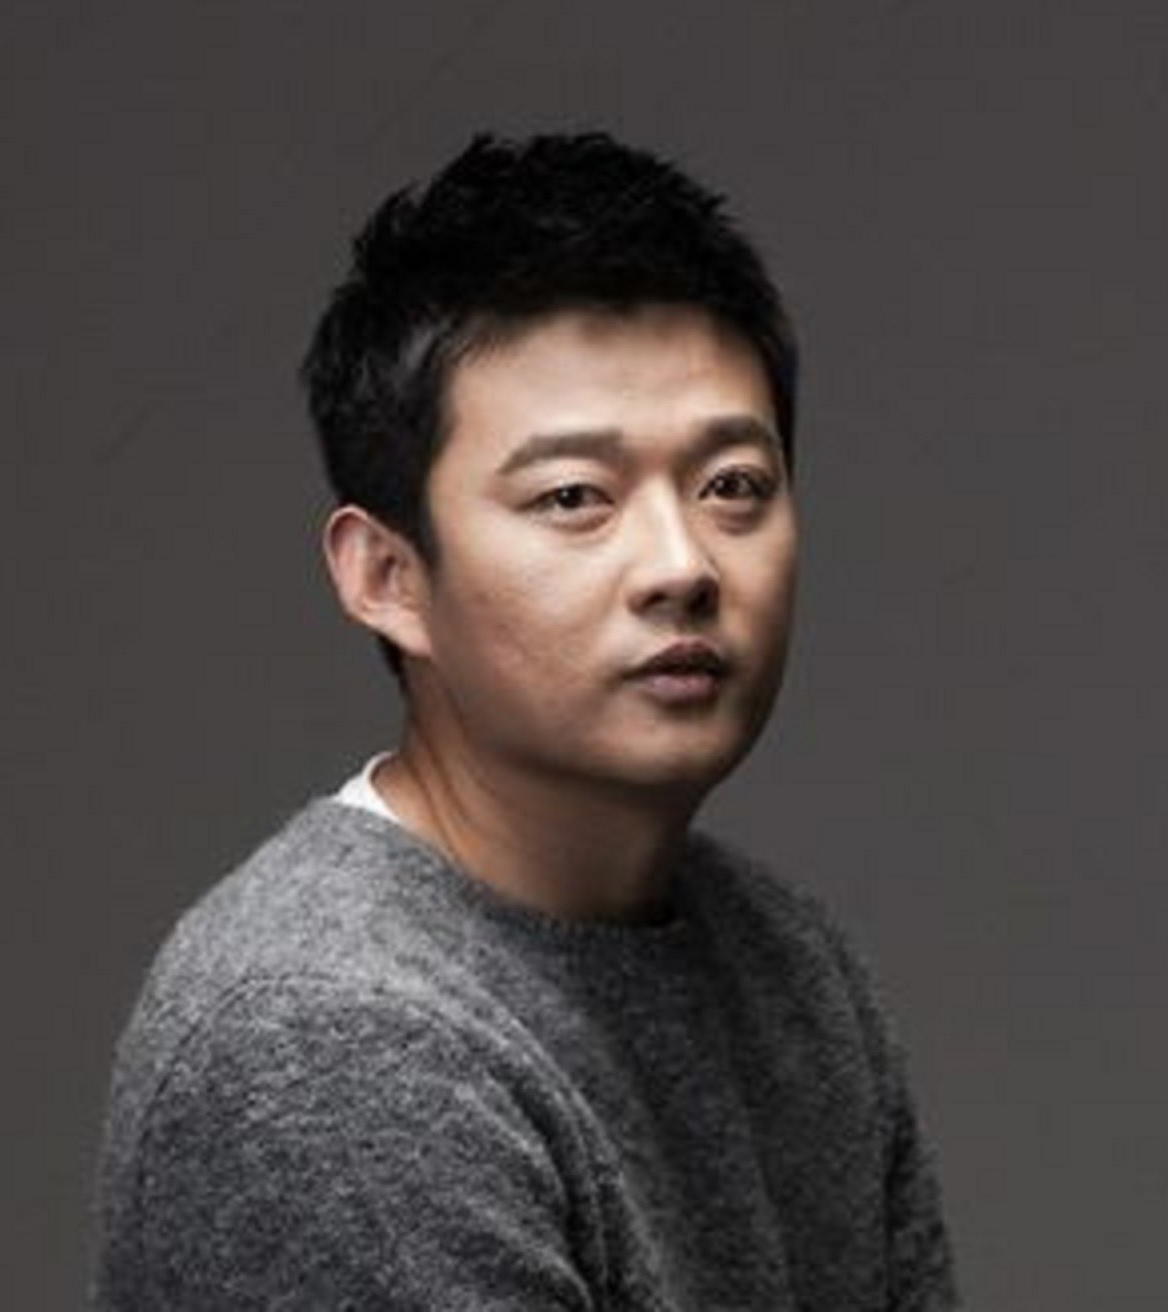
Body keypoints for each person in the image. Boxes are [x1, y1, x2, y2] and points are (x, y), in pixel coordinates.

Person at [92, 131, 959, 1310]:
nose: (681, 564)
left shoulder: (790, 969)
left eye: (731, 487)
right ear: (388, 575)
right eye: (572, 497)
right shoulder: (326, 1034)